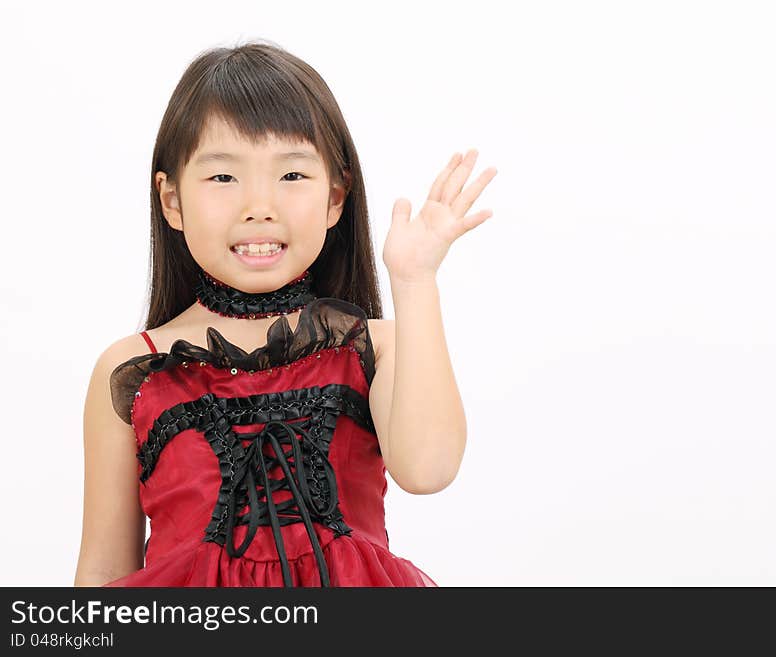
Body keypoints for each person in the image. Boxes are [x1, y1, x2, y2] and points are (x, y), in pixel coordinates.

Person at [73, 40, 496, 587]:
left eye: (291, 175)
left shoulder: (375, 347)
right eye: (223, 177)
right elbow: (104, 573)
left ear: (336, 197)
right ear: (172, 200)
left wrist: (414, 282)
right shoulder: (134, 368)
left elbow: (428, 467)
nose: (260, 205)